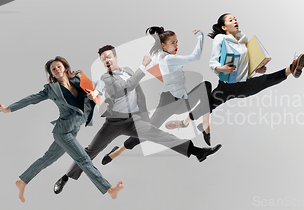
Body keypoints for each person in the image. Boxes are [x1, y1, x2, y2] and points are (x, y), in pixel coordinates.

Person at [52, 45, 222, 195]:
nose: (106, 60)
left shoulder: (127, 71)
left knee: (159, 136)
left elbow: (138, 92)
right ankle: (66, 177)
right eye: (103, 59)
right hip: (114, 123)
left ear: (115, 57)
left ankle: (198, 152)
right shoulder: (106, 78)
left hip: (133, 119)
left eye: (109, 57)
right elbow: (126, 88)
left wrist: (142, 112)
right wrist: (143, 66)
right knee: (91, 150)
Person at [0, 56, 124, 202]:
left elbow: (100, 83)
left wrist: (95, 92)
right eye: (53, 69)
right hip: (63, 132)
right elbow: (30, 99)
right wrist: (7, 109)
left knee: (47, 159)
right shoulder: (51, 89)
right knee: (83, 159)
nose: (56, 70)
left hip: (73, 130)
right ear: (51, 74)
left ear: (65, 68)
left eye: (58, 66)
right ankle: (109, 189)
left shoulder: (78, 79)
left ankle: (22, 181)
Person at [166, 13, 304, 144]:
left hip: (244, 84)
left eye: (235, 19)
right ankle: (184, 123)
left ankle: (292, 68)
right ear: (224, 27)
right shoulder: (220, 38)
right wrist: (222, 68)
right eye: (231, 20)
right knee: (208, 105)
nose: (235, 21)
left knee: (265, 80)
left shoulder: (243, 40)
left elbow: (247, 64)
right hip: (227, 85)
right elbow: (213, 62)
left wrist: (258, 69)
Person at [103, 26, 214, 163]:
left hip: (182, 102)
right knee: (147, 132)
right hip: (168, 101)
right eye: (172, 42)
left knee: (206, 86)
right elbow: (195, 57)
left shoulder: (159, 56)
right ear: (163, 45)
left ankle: (203, 124)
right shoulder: (169, 59)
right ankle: (118, 151)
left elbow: (152, 61)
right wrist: (200, 37)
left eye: (177, 42)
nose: (176, 45)